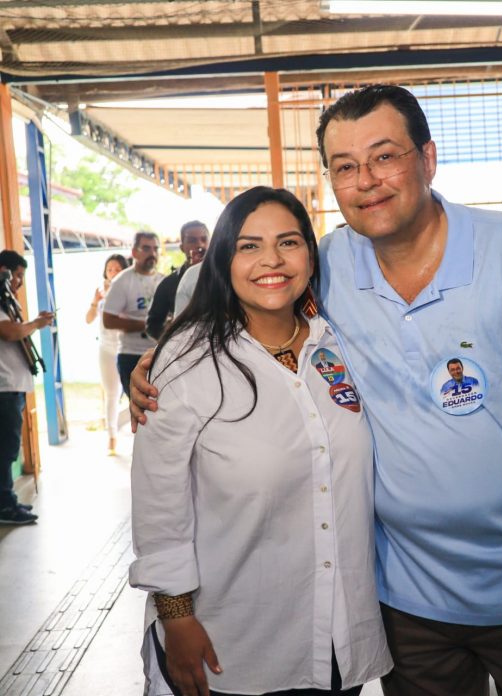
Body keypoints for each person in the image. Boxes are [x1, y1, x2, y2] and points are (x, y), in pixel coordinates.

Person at [131, 85, 502, 695]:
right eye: (345, 167)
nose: (367, 181)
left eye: (385, 157)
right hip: (407, 598)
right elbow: (254, 298)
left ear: (427, 159)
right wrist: (166, 358)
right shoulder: (332, 266)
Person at [129, 186, 392, 696]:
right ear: (224, 258)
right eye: (249, 246)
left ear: (310, 257)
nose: (271, 259)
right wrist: (177, 619)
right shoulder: (187, 363)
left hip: (336, 636)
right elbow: (159, 507)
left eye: (288, 242)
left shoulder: (336, 344)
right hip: (234, 645)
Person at [0, 250, 53, 525]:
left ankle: (7, 501)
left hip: (12, 386)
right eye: (17, 276)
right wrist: (36, 324)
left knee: (7, 448)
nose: (18, 282)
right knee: (5, 449)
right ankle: (4, 505)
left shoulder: (7, 301)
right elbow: (10, 332)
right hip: (4, 387)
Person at [103, 231, 164, 397]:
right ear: (134, 252)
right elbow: (108, 320)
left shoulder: (164, 281)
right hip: (132, 355)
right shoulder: (122, 281)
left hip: (161, 355)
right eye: (146, 248)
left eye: (155, 249)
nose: (152, 253)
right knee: (141, 413)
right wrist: (147, 325)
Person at [85, 253, 128, 454]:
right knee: (111, 394)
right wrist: (95, 301)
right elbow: (88, 319)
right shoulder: (101, 292)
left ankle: (137, 430)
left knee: (131, 393)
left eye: (117, 269)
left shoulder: (130, 290)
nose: (113, 272)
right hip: (106, 348)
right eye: (110, 269)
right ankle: (112, 436)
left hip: (127, 348)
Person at [146, 220, 209, 340]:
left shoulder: (225, 277)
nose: (200, 245)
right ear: (182, 247)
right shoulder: (169, 283)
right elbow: (153, 324)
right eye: (192, 240)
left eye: (204, 239)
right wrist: (172, 338)